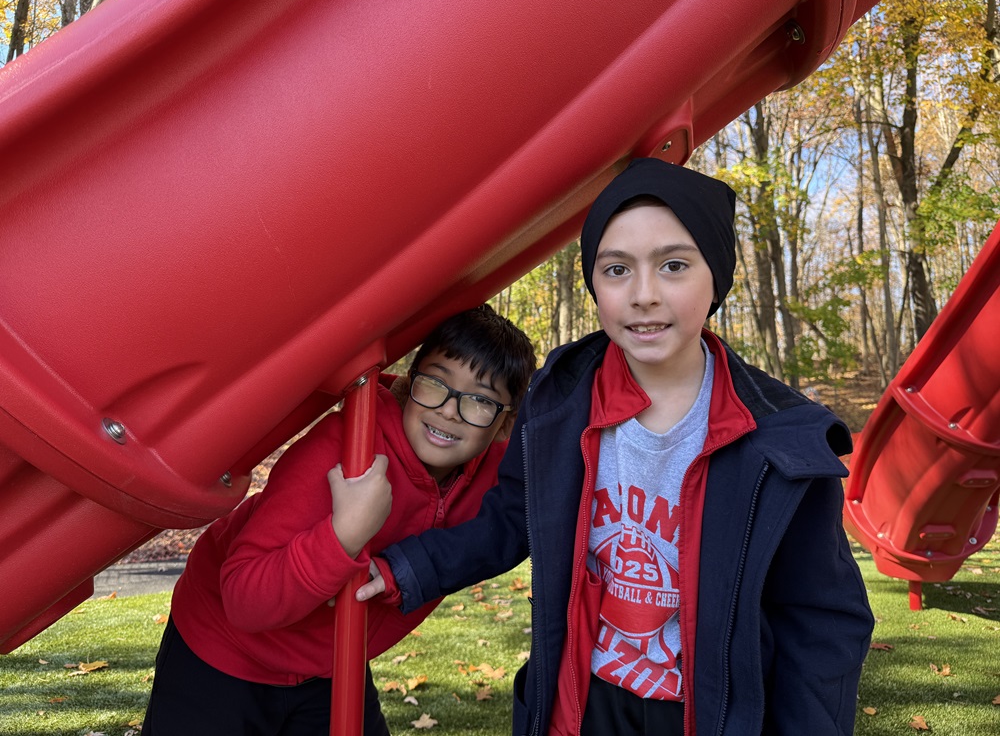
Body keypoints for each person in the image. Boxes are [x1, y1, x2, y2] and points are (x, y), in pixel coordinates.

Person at [360, 158, 875, 735]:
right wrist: (409, 568)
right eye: (617, 270)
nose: (644, 295)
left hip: (705, 713)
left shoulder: (782, 442)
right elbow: (512, 518)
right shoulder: (561, 402)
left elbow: (822, 621)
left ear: (717, 280)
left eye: (674, 266)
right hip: (585, 701)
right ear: (595, 285)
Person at [142, 304, 536, 735]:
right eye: (436, 382)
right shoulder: (342, 450)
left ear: (504, 424)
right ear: (408, 383)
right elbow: (242, 597)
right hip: (223, 654)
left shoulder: (503, 479)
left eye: (479, 400)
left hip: (332, 665)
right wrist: (342, 537)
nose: (447, 410)